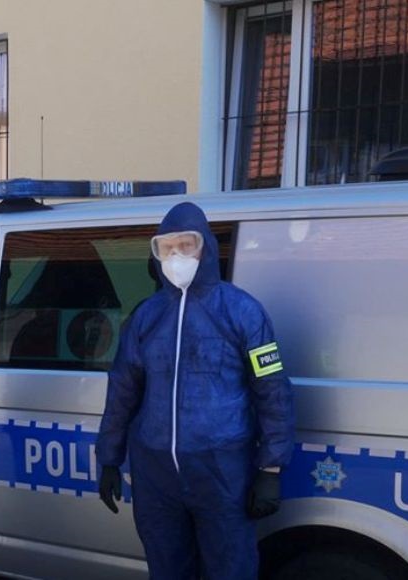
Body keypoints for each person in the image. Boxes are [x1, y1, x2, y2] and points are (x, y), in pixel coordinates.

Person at [96, 202, 295, 579]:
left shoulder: (242, 311)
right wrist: (108, 458)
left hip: (222, 470)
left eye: (186, 245)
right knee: (167, 567)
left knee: (230, 568)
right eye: (167, 248)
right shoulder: (146, 317)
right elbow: (122, 391)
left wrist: (270, 468)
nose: (176, 256)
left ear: (206, 248)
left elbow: (272, 391)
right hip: (155, 474)